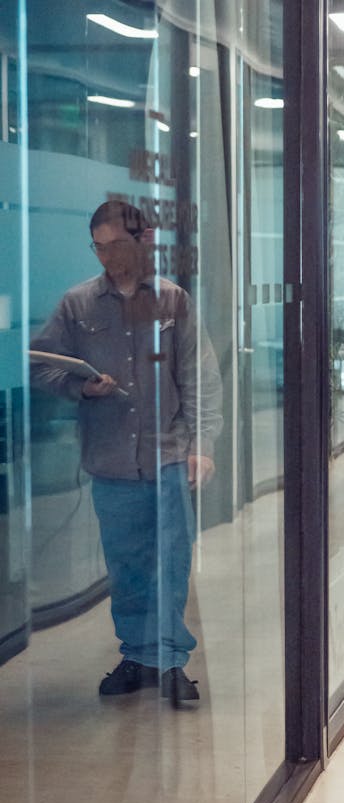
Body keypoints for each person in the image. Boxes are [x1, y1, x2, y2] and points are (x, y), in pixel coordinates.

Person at [31, 200, 223, 706]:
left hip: (167, 456)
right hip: (112, 460)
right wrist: (82, 389)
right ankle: (138, 656)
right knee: (127, 565)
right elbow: (40, 366)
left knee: (170, 562)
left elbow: (200, 378)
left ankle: (171, 661)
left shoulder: (171, 300)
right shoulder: (77, 305)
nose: (106, 256)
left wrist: (201, 446)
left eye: (115, 244)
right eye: (97, 246)